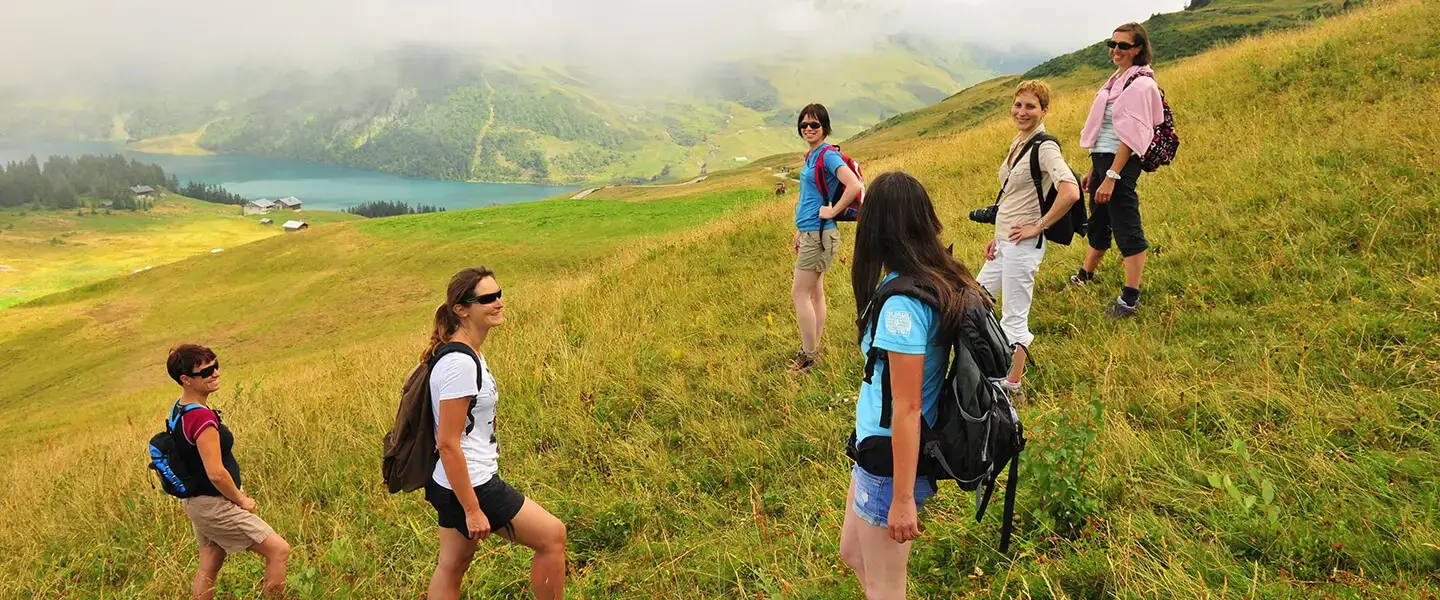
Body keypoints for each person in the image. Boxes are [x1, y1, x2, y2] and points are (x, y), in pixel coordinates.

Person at [840, 172, 985, 599]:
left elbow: (905, 406)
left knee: (886, 589)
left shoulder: (903, 305)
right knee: (853, 552)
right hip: (876, 448)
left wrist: (903, 498)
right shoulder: (931, 275)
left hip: (891, 460)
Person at [422, 267, 567, 600]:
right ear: (461, 309)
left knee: (452, 564)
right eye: (487, 298)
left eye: (499, 294)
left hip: (448, 481)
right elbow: (447, 442)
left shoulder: (467, 352)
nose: (499, 302)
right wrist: (472, 509)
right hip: (471, 482)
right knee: (552, 537)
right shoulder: (460, 362)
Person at [977, 80, 1081, 397]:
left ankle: (1011, 387)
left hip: (1024, 246)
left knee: (1014, 318)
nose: (1022, 112)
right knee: (977, 299)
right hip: (1006, 242)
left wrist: (1038, 226)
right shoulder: (1018, 141)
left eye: (1031, 106)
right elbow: (1012, 195)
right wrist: (998, 237)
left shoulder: (1045, 147)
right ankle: (990, 370)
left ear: (1044, 110)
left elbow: (1071, 191)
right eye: (1018, 105)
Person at [164, 344, 290, 600]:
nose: (215, 373)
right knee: (279, 550)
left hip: (197, 502)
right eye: (206, 371)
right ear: (186, 380)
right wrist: (242, 500)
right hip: (215, 503)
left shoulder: (180, 409)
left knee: (209, 563)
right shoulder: (201, 419)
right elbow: (217, 474)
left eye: (215, 366)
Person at [1072, 22, 1165, 318]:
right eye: (1112, 44)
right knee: (1099, 222)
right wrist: (1094, 170)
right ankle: (1085, 276)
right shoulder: (1118, 79)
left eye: (1123, 45)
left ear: (1138, 48)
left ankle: (1129, 300)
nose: (1115, 50)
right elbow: (1106, 130)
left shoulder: (1141, 84)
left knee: (1127, 228)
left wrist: (1112, 176)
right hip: (1103, 162)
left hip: (1120, 165)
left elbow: (1131, 135)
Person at [790, 103, 863, 372]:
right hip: (811, 231)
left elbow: (854, 184)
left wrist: (833, 210)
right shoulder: (812, 156)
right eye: (804, 125)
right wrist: (800, 229)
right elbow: (811, 196)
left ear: (825, 127)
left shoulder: (828, 155)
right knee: (814, 292)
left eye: (814, 125)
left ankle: (809, 355)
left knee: (799, 293)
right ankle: (815, 346)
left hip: (820, 233)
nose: (808, 129)